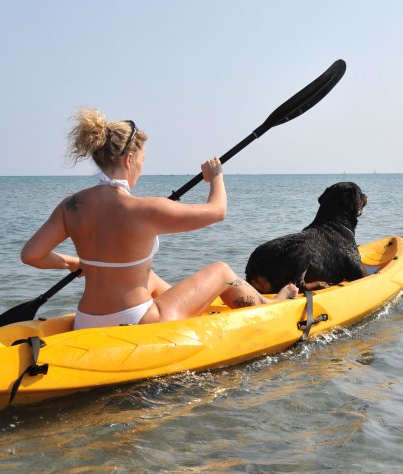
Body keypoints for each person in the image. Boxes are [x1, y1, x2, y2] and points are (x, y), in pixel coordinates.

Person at [21, 108, 297, 329]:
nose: (142, 165)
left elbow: (32, 255)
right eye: (142, 159)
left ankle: (198, 309)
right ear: (129, 159)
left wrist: (76, 263)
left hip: (85, 321)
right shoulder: (144, 209)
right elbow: (217, 211)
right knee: (222, 271)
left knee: (148, 277)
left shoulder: (72, 205)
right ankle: (272, 308)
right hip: (136, 320)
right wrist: (216, 177)